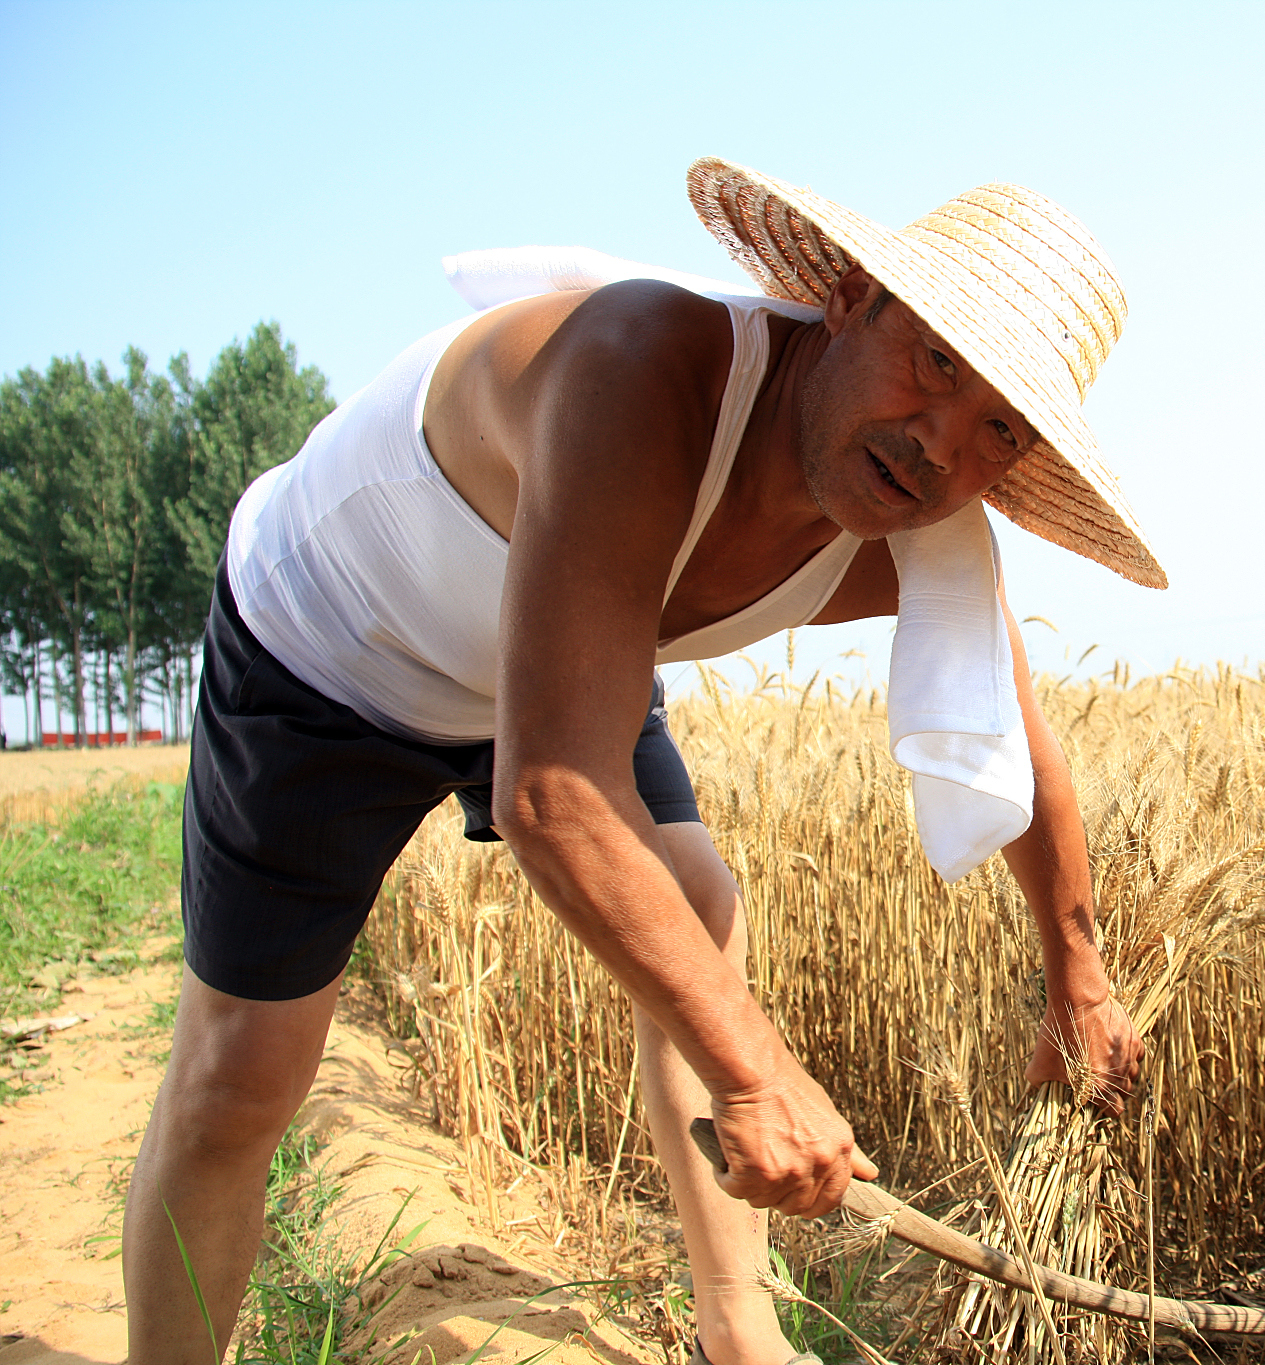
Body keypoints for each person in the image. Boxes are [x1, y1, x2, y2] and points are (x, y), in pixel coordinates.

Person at [122, 157, 1167, 1365]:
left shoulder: (918, 541)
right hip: (331, 649)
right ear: (848, 299)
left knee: (696, 916)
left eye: (998, 427)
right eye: (934, 361)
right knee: (239, 1078)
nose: (936, 443)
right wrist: (757, 1073)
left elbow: (1016, 741)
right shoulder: (642, 371)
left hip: (556, 647)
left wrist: (1078, 981)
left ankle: (742, 1337)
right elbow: (551, 794)